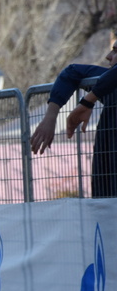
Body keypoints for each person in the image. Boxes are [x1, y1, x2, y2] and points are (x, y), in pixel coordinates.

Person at [30, 40, 117, 197]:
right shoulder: (107, 82)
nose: (108, 56)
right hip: (106, 193)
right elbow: (72, 72)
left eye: (116, 51)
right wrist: (50, 117)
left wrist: (87, 102)